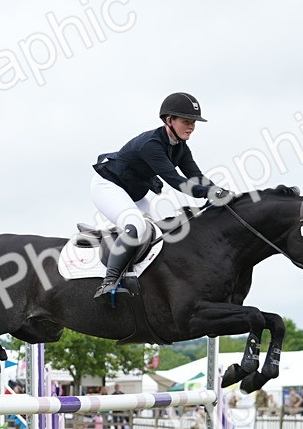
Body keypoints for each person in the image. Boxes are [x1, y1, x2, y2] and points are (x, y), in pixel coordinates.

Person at [90, 92, 232, 301]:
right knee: (136, 226)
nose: (191, 127)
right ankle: (108, 282)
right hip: (107, 186)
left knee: (160, 232)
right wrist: (211, 193)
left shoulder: (180, 147)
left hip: (134, 192)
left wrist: (218, 191)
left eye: (193, 122)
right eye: (186, 121)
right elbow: (176, 181)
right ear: (169, 120)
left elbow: (196, 177)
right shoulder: (152, 145)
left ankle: (142, 279)